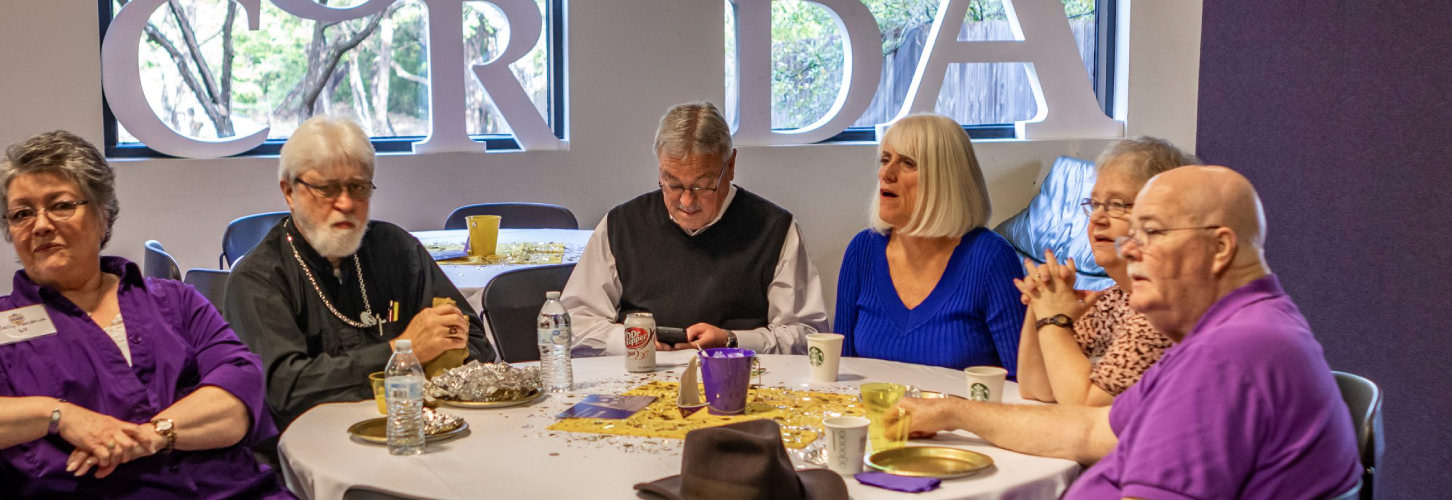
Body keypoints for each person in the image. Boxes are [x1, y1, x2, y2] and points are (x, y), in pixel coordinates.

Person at [893, 166, 1361, 499]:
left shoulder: (1230, 355)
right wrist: (952, 412)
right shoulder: (1232, 331)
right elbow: (1090, 428)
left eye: (1151, 232)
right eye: (1128, 231)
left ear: (1219, 248)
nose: (1129, 249)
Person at [0, 131, 288, 498]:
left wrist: (149, 436)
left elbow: (239, 391)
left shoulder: (176, 302)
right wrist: (59, 416)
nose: (41, 224)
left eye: (60, 205)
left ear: (103, 214)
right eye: (21, 214)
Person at [226, 116, 493, 428]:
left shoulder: (398, 250)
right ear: (289, 192)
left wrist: (444, 343)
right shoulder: (258, 278)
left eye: (358, 187)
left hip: (412, 429)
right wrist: (402, 352)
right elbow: (285, 390)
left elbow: (477, 345)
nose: (346, 203)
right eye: (327, 189)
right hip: (308, 448)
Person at [563, 102, 828, 356]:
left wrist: (732, 341)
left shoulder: (775, 229)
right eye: (673, 184)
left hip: (743, 381)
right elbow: (573, 322)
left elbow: (807, 335)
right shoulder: (621, 225)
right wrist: (633, 340)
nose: (687, 202)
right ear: (659, 167)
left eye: (703, 185)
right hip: (637, 378)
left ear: (731, 165)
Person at [833, 114, 1023, 373]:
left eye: (908, 163)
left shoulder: (991, 259)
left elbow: (1021, 384)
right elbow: (841, 369)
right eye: (885, 160)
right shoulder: (862, 250)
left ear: (945, 180)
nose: (886, 174)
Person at [1014, 137, 1194, 405]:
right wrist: (1042, 299)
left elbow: (1084, 405)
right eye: (1095, 204)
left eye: (1118, 205)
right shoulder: (1113, 297)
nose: (1098, 218)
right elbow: (1037, 387)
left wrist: (1054, 320)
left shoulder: (1164, 309)